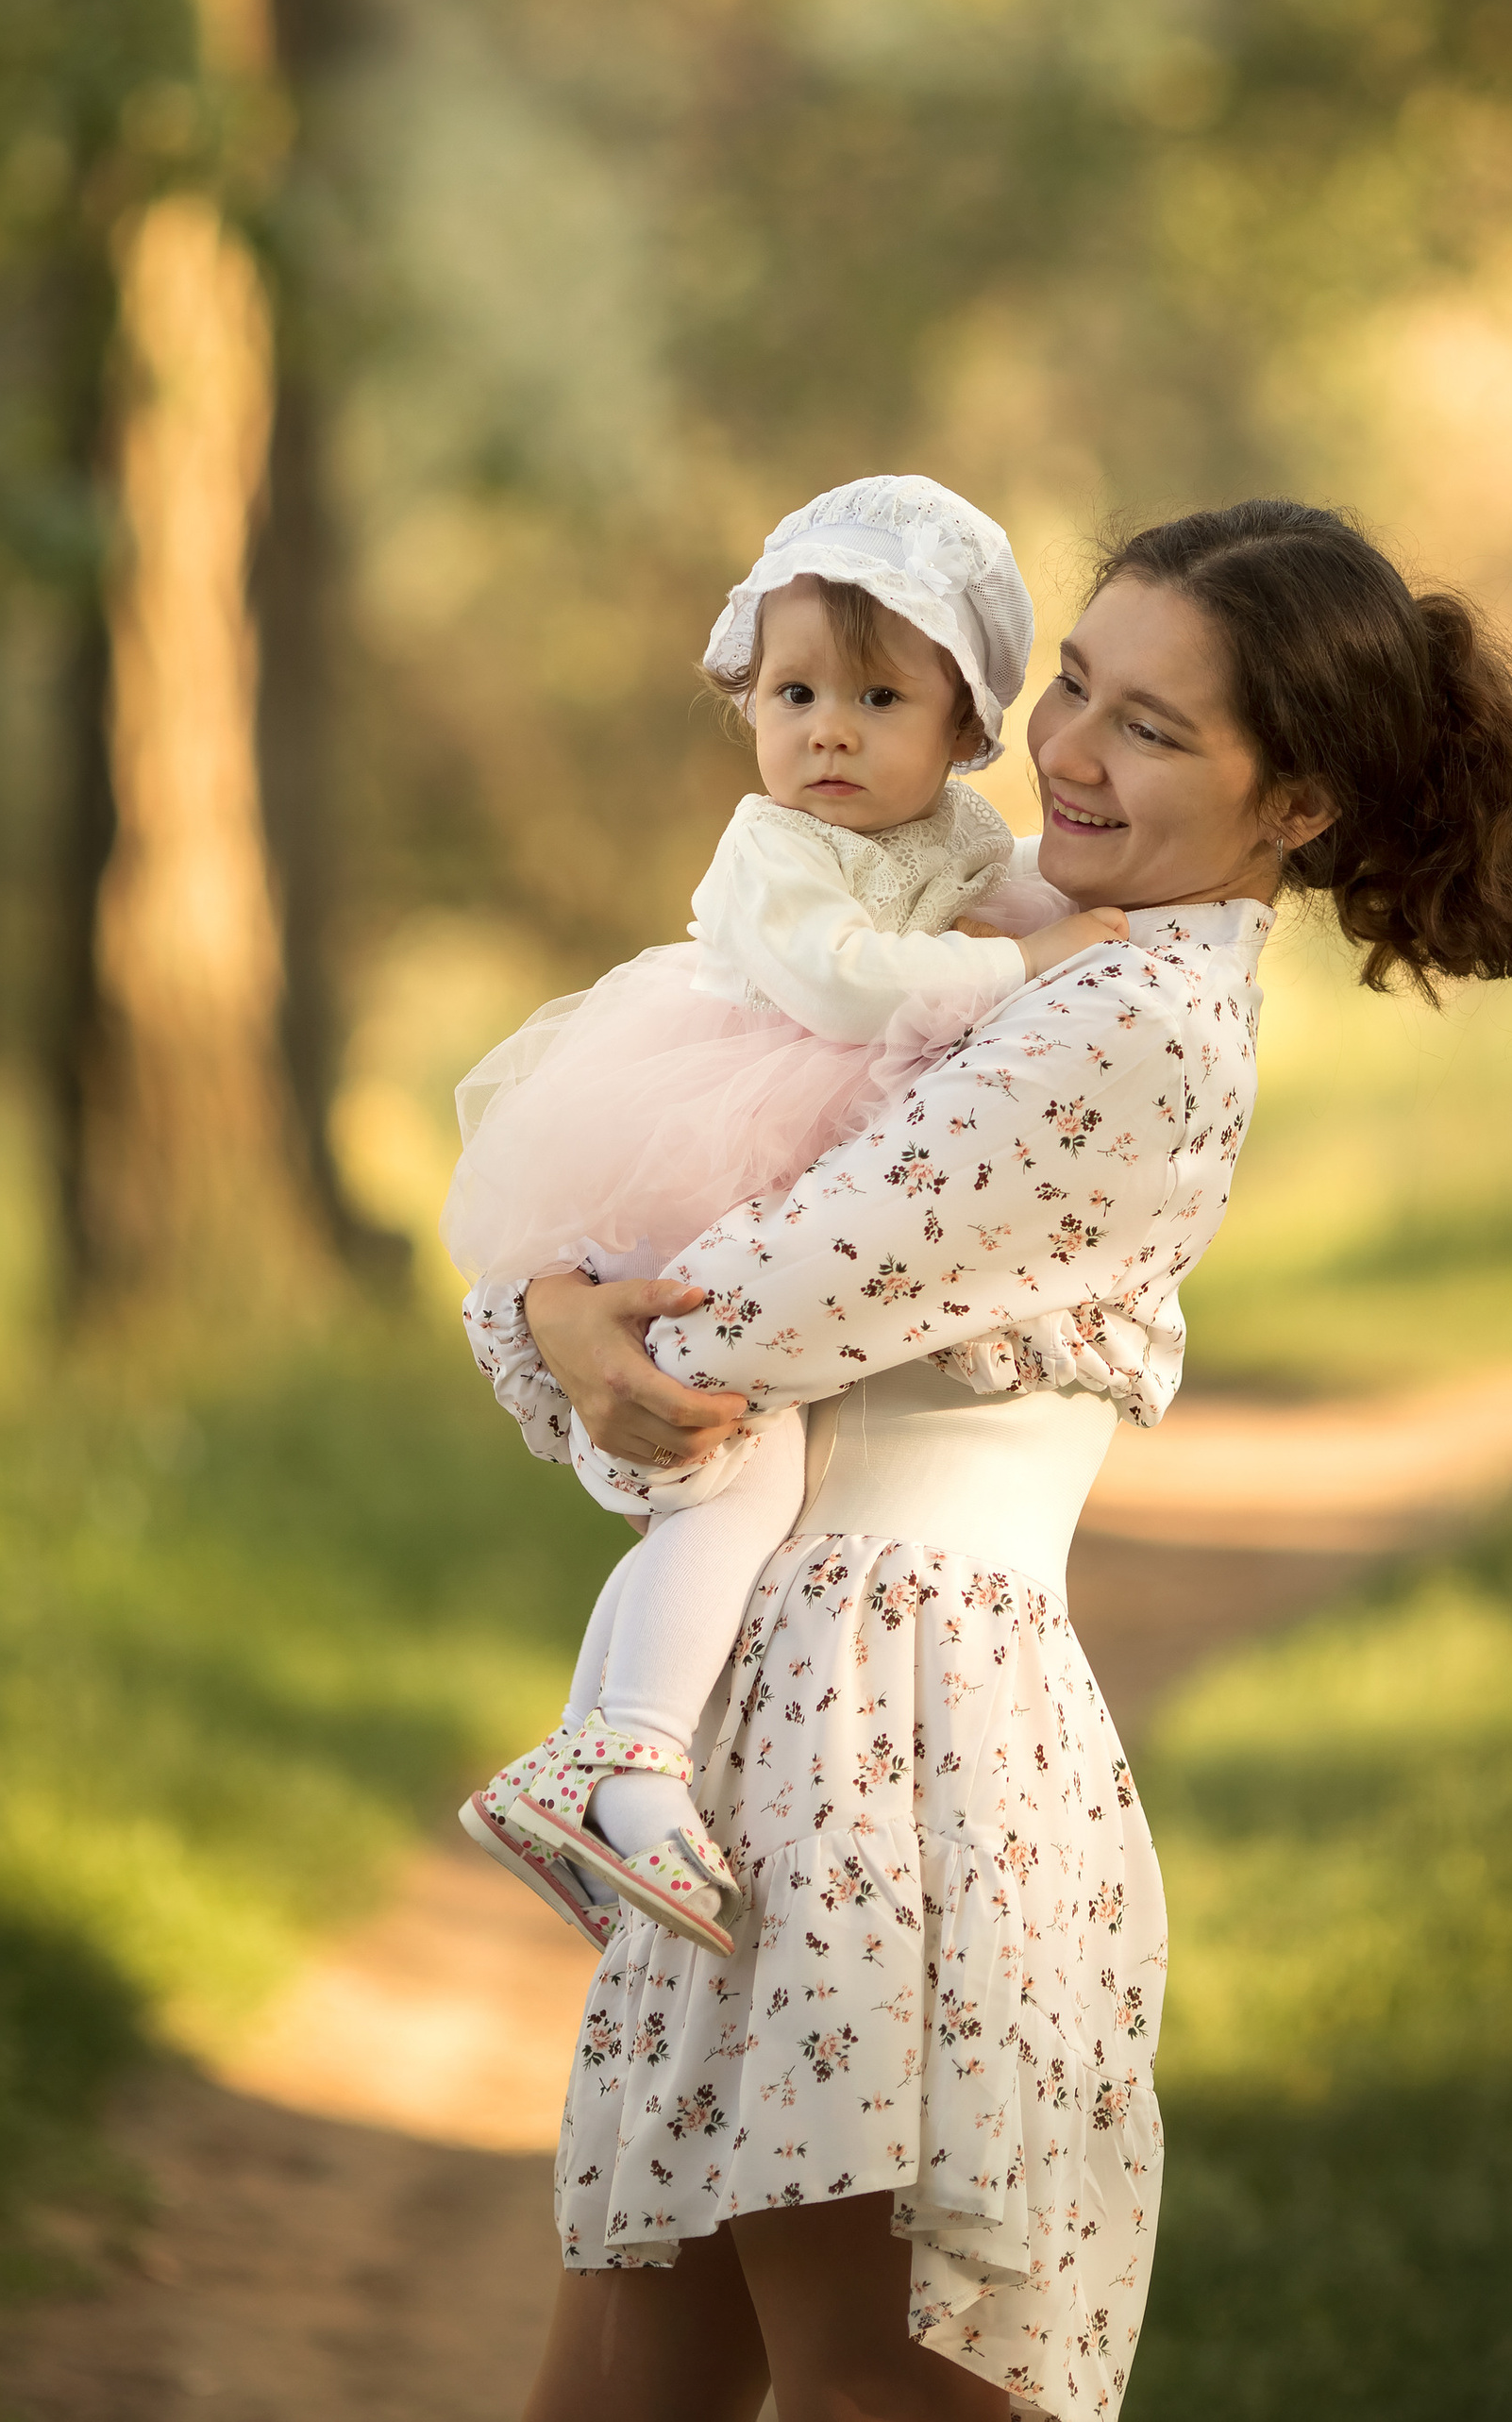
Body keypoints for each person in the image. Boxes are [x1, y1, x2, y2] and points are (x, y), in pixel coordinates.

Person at [465, 498, 1512, 2422]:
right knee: (668, 2371)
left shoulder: (1124, 1029)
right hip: (818, 1719)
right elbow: (656, 1333)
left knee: (866, 2373)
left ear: (1295, 804)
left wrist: (558, 1315)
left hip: (898, 1737)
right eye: (1072, 682)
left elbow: (720, 1327)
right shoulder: (1020, 949)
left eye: (1152, 730)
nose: (1066, 751)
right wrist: (557, 1319)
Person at [446, 476, 1124, 1952]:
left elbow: (1016, 902)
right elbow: (840, 982)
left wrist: (1060, 937)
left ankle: (575, 1759)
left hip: (789, 1150)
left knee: (745, 1470)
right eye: (793, 689)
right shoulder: (777, 850)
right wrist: (1028, 971)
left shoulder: (957, 838)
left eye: (878, 698)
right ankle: (625, 1755)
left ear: (962, 728)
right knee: (738, 1472)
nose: (825, 728)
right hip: (703, 1135)